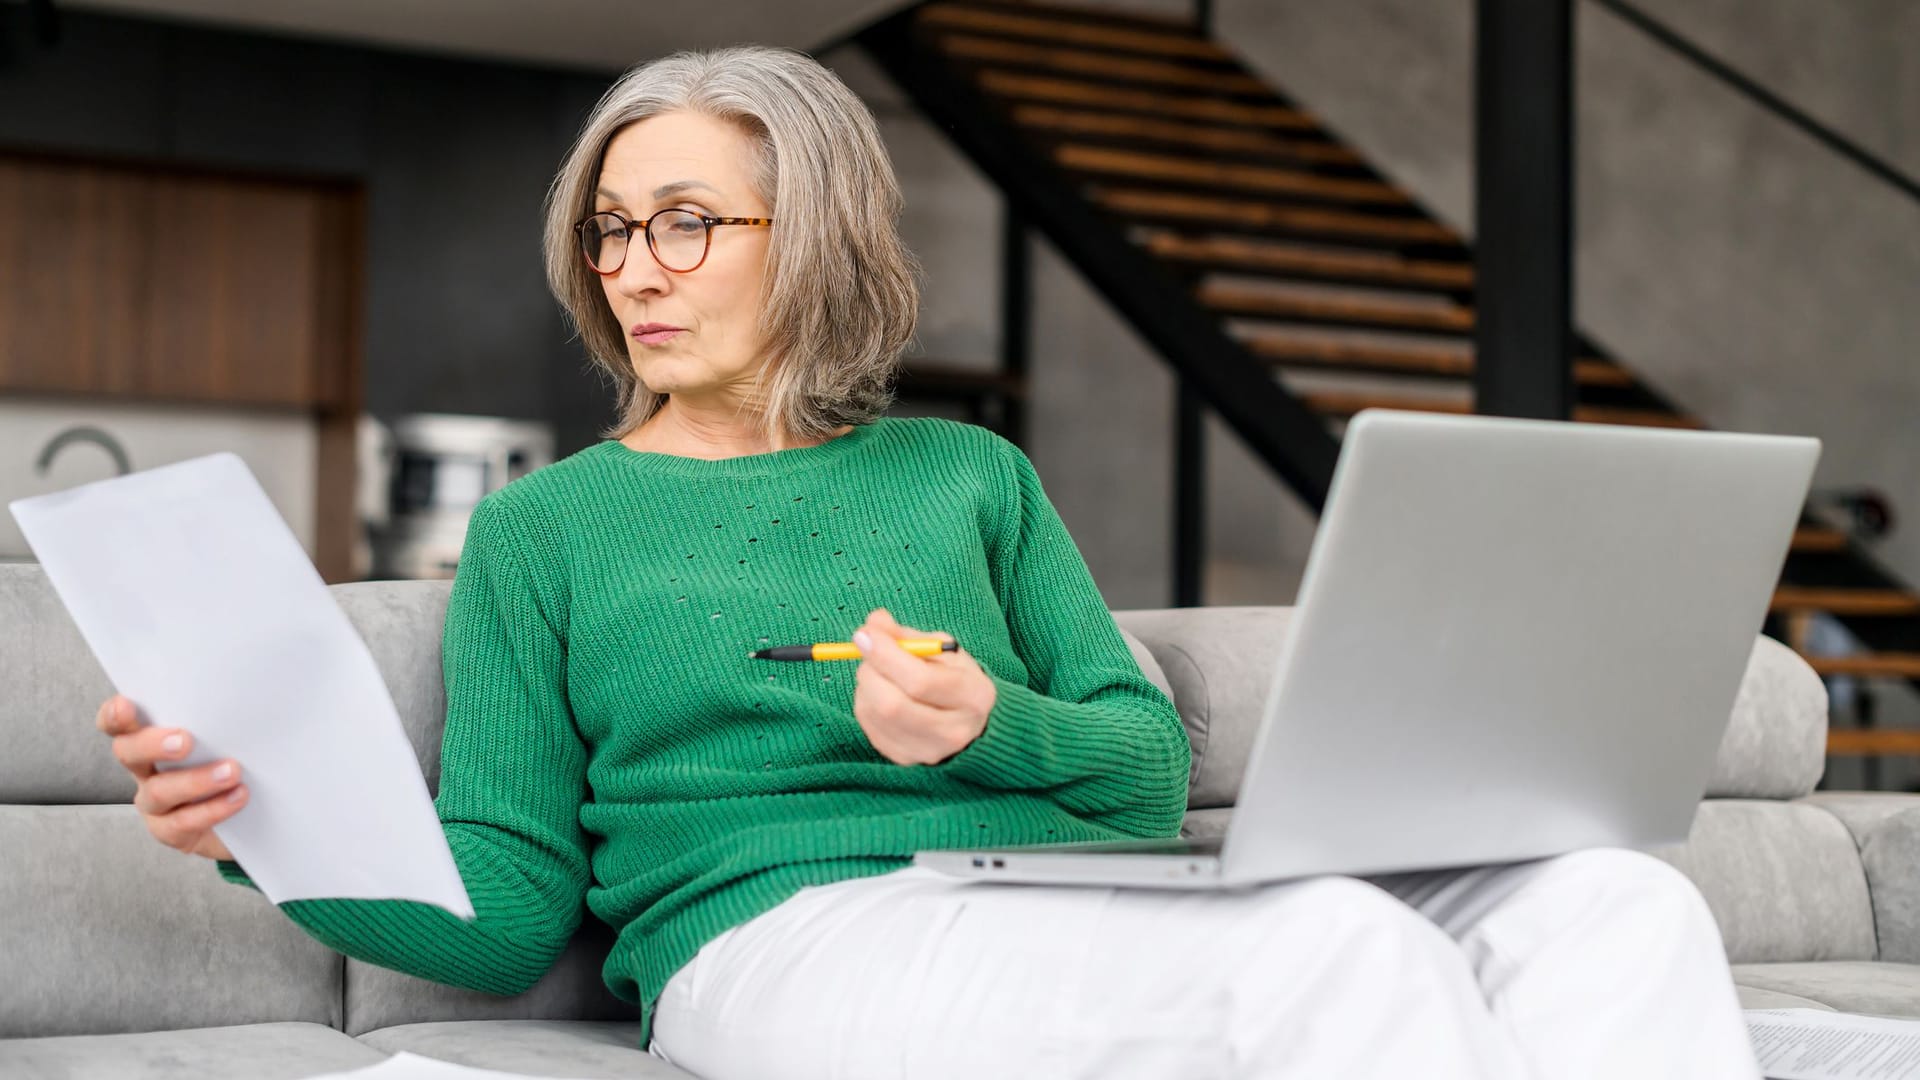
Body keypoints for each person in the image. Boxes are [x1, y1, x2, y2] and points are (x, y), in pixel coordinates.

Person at [94, 44, 1762, 1080]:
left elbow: (1138, 768)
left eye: (686, 221)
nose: (632, 270)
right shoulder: (547, 528)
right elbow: (513, 905)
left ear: (805, 236)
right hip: (785, 944)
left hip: (1058, 893)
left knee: (1617, 905)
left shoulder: (970, 475)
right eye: (610, 227)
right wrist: (267, 829)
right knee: (1339, 954)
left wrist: (988, 733)